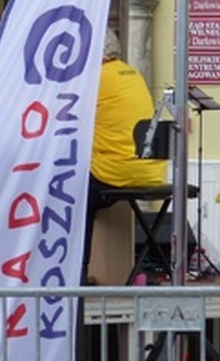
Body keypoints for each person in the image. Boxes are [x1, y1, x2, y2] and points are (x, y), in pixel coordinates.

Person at [82, 30, 168, 275]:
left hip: (116, 172)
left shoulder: (94, 79)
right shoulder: (133, 74)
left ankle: (78, 270)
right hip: (151, 170)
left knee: (70, 196)